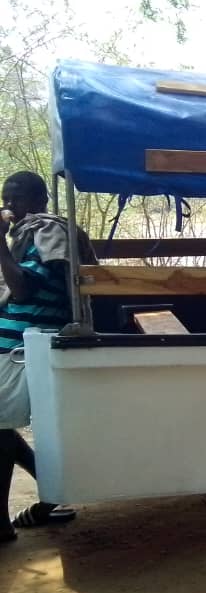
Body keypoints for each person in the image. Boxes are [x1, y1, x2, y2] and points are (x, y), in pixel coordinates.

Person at [1, 171, 87, 542]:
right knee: (2, 426)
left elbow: (21, 290)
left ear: (39, 201)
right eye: (6, 198)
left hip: (25, 344)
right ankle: (54, 490)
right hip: (13, 343)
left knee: (0, 426)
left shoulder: (46, 232)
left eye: (16, 199)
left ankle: (1, 523)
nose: (10, 206)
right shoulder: (24, 234)